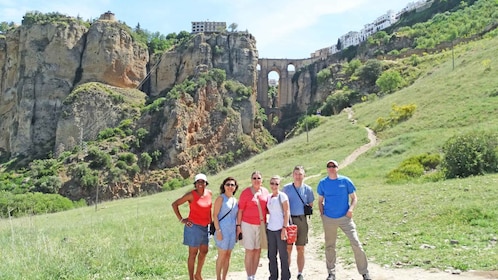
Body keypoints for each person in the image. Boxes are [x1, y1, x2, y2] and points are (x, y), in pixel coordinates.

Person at [317, 160, 371, 280]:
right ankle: (331, 273)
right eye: (329, 166)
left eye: (333, 166)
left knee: (356, 242)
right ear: (327, 169)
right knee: (330, 246)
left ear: (338, 168)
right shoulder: (322, 183)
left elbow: (354, 198)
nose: (331, 168)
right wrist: (323, 215)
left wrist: (350, 210)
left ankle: (364, 272)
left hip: (345, 218)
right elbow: (320, 201)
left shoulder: (345, 181)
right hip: (329, 218)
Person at [172, 173, 213, 280]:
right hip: (193, 227)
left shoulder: (209, 193)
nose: (200, 184)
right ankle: (191, 278)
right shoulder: (191, 195)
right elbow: (175, 204)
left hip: (205, 227)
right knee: (193, 253)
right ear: (195, 184)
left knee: (204, 251)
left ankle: (198, 274)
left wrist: (211, 223)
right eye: (198, 182)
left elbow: (209, 210)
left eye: (202, 181)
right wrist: (181, 219)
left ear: (206, 183)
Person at [282, 165, 315, 280]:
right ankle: (286, 272)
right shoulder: (286, 188)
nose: (298, 176)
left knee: (300, 248)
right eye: (296, 174)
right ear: (292, 175)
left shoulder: (308, 189)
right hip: (289, 220)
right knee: (288, 248)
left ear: (304, 175)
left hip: (302, 220)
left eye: (300, 174)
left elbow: (310, 204)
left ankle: (300, 273)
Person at [236, 171, 270, 280]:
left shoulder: (265, 192)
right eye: (254, 178)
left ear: (262, 180)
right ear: (251, 180)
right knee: (249, 250)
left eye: (258, 178)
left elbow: (268, 208)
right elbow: (240, 210)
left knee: (258, 250)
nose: (256, 180)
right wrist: (238, 226)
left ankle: (253, 275)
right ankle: (248, 275)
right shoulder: (245, 192)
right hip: (247, 224)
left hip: (261, 224)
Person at [212, 177, 239, 280]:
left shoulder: (235, 200)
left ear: (235, 187)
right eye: (228, 184)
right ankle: (218, 277)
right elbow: (215, 216)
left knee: (228, 255)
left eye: (232, 185)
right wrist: (218, 231)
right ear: (224, 186)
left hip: (232, 231)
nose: (230, 187)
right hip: (222, 230)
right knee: (222, 254)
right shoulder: (221, 198)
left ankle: (224, 277)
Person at [266, 175, 291, 280]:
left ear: (279, 185)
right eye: (272, 183)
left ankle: (285, 276)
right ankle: (273, 276)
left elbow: (287, 212)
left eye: (276, 184)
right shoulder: (269, 197)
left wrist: (284, 228)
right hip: (271, 228)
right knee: (271, 255)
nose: (274, 186)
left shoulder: (283, 196)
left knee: (283, 255)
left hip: (281, 228)